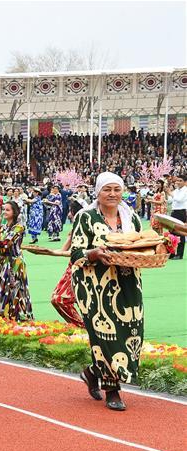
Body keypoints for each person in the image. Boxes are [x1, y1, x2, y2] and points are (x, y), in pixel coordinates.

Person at [70, 172, 145, 411]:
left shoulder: (132, 218)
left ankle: (92, 373)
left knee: (132, 332)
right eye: (107, 189)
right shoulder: (86, 217)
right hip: (94, 287)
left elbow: (141, 247)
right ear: (98, 192)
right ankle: (112, 390)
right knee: (106, 338)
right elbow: (75, 254)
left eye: (116, 189)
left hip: (129, 283)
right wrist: (94, 254)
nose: (112, 194)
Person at [0, 201, 34, 321]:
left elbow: (6, 243)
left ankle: (17, 318)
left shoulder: (19, 227)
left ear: (14, 212)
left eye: (7, 210)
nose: (4, 212)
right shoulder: (1, 227)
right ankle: (0, 316)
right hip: (2, 264)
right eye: (3, 209)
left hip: (15, 264)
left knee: (14, 291)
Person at [168, 175, 187, 259]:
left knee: (180, 233)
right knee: (172, 233)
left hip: (181, 212)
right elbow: (170, 201)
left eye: (180, 180)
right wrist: (167, 194)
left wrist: (170, 194)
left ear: (185, 182)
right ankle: (172, 253)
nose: (178, 182)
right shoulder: (176, 190)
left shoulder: (185, 190)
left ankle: (179, 254)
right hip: (174, 212)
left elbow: (179, 199)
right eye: (177, 181)